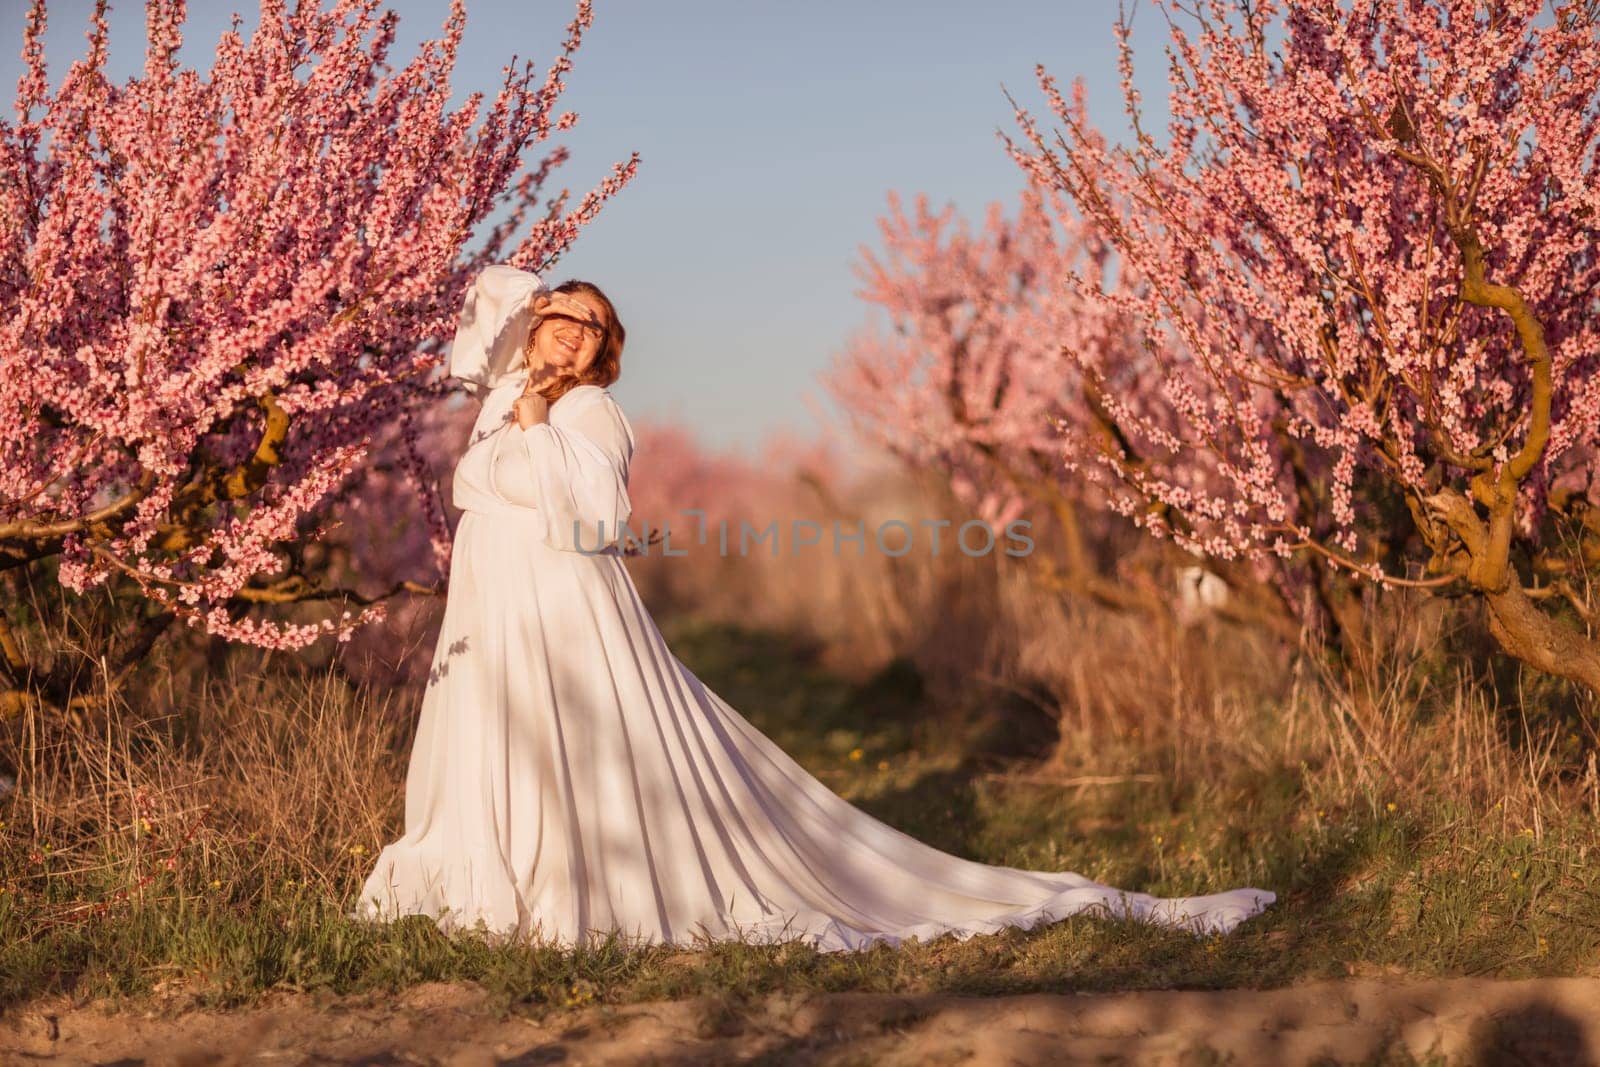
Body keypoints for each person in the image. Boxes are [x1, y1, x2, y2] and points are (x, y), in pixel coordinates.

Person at [355, 263, 1275, 952]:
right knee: (498, 734)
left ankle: (577, 882)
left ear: (607, 352)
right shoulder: (502, 398)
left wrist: (532, 424)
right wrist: (512, 383)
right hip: (492, 602)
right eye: (563, 316)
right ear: (537, 320)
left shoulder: (591, 415)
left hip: (562, 603)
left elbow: (595, 517)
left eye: (593, 330)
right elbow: (479, 381)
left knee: (576, 736)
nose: (574, 336)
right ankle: (491, 875)